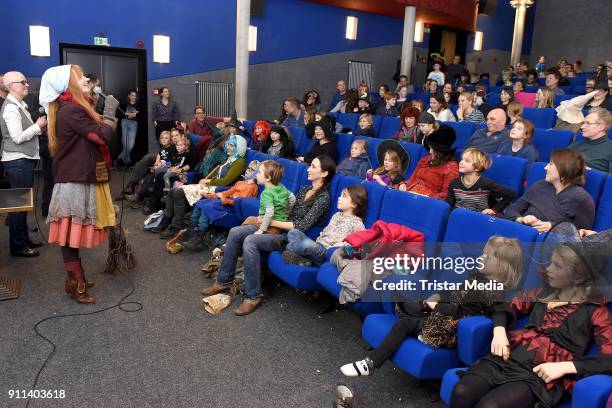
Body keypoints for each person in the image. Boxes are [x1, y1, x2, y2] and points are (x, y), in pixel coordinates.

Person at [449, 241, 612, 408]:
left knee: (491, 406)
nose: (548, 268)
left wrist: (568, 366)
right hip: (510, 358)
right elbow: (505, 305)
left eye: (557, 266)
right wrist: (499, 332)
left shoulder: (596, 312)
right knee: (461, 391)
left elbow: (609, 358)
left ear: (577, 276)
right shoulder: (542, 293)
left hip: (541, 374)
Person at [341, 236, 523, 378]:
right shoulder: (478, 278)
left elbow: (499, 311)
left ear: (500, 265)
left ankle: (370, 363)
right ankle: (413, 312)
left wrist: (438, 306)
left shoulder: (497, 291)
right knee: (408, 301)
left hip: (451, 327)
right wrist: (436, 299)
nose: (481, 257)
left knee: (405, 324)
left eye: (487, 256)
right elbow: (455, 292)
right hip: (443, 314)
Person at [201, 155, 336, 316]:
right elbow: (289, 211)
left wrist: (270, 221)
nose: (308, 169)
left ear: (324, 173)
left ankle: (253, 296)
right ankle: (224, 280)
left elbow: (302, 226)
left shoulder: (323, 198)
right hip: (280, 228)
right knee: (236, 232)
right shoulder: (305, 189)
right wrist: (269, 218)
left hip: (293, 238)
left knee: (251, 240)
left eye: (313, 166)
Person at [39, 64, 119, 302]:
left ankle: (76, 277)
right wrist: (110, 112)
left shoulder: (70, 107)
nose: (85, 79)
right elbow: (101, 135)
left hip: (78, 175)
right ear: (68, 84)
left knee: (71, 233)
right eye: (79, 76)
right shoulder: (71, 110)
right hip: (74, 179)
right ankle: (76, 282)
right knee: (68, 234)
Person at [153, 135, 248, 238]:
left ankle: (176, 225)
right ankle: (166, 220)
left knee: (178, 192)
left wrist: (208, 181)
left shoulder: (240, 162)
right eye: (228, 144)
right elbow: (218, 175)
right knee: (173, 191)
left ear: (239, 147)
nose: (228, 147)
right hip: (210, 186)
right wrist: (208, 179)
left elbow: (226, 181)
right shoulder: (229, 158)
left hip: (218, 189)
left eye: (232, 145)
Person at [0, 71, 47, 257]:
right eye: (23, 82)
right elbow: (17, 137)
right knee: (17, 207)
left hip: (21, 160)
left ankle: (23, 240)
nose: (27, 85)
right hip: (17, 161)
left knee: (21, 204)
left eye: (27, 82)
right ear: (11, 86)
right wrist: (38, 126)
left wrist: (36, 126)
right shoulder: (11, 108)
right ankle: (18, 246)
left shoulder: (20, 104)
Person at [504, 149, 595, 232]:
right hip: (522, 232)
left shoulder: (582, 199)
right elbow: (511, 210)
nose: (545, 168)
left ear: (563, 168)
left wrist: (553, 227)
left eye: (550, 164)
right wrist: (522, 219)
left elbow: (583, 234)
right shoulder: (539, 185)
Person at [180, 160, 260, 251]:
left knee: (207, 208)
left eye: (252, 170)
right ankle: (191, 230)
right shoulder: (241, 183)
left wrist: (225, 200)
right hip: (224, 201)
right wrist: (210, 195)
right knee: (200, 203)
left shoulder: (252, 187)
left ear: (256, 173)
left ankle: (199, 238)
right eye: (248, 168)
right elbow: (227, 192)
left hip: (233, 207)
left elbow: (241, 202)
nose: (248, 170)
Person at [282, 184, 367, 267]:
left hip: (326, 253)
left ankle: (289, 250)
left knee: (307, 244)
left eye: (344, 196)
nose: (339, 198)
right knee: (294, 232)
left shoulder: (357, 223)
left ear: (354, 204)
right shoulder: (336, 215)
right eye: (340, 195)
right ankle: (304, 260)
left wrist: (344, 244)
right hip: (318, 244)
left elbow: (359, 245)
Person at [397, 125, 460, 199]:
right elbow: (412, 180)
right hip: (409, 194)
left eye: (433, 149)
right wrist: (403, 184)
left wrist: (426, 196)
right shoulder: (425, 159)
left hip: (427, 202)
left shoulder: (451, 167)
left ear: (440, 151)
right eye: (430, 148)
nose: (430, 151)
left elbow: (446, 195)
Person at [447, 148, 515, 214]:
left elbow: (510, 194)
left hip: (479, 220)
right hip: (459, 218)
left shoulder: (486, 184)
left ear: (477, 167)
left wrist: (494, 210)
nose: (461, 162)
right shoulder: (454, 183)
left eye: (467, 161)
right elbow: (449, 205)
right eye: (462, 159)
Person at [570, 108, 612, 172]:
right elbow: (559, 160)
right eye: (583, 123)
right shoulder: (577, 144)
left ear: (601, 127)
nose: (582, 127)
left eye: (588, 123)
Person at [115, 88, 139, 167]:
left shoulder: (138, 104)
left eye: (135, 96)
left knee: (131, 145)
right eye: (132, 95)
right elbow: (122, 114)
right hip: (124, 123)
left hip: (133, 124)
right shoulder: (124, 103)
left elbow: (138, 115)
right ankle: (127, 161)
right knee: (125, 143)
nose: (134, 97)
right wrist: (132, 114)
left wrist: (128, 114)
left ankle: (119, 158)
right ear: (129, 96)